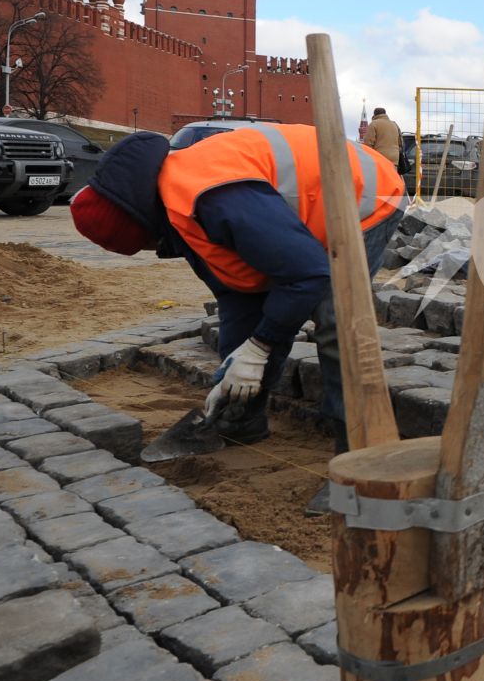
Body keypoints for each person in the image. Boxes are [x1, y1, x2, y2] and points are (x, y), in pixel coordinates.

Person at [69, 123, 405, 450]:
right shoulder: (179, 207)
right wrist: (234, 375)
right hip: (308, 210)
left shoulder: (213, 196)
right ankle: (241, 424)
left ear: (142, 224)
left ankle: (360, 449)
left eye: (146, 245)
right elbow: (238, 299)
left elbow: (309, 275)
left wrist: (259, 348)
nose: (153, 250)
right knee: (260, 324)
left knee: (336, 318)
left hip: (365, 197)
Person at [364, 106, 403, 172]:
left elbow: (368, 143)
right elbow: (400, 142)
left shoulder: (374, 124)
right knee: (391, 178)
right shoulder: (394, 124)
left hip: (380, 157)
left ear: (374, 115)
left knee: (381, 179)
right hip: (395, 158)